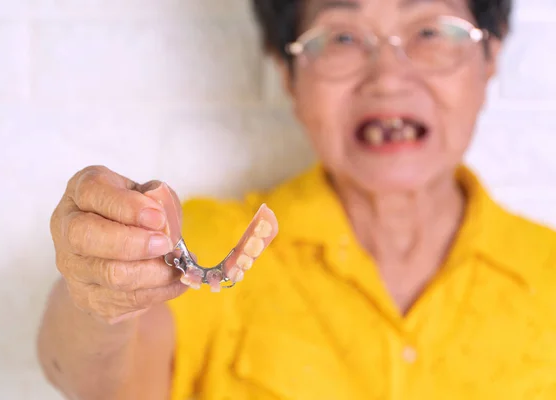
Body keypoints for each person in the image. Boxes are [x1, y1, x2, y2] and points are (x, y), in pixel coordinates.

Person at [37, 0, 556, 399]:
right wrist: (101, 291)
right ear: (287, 74)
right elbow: (99, 382)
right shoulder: (199, 240)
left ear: (491, 56)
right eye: (343, 37)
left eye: (431, 32)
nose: (389, 77)